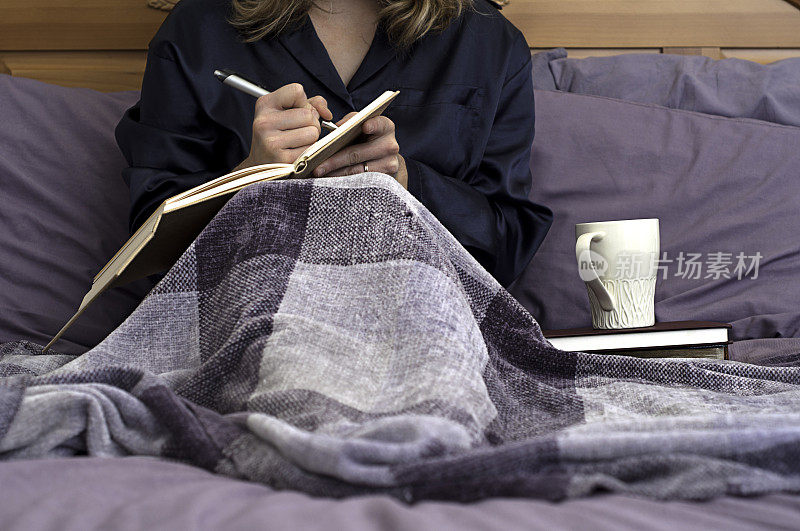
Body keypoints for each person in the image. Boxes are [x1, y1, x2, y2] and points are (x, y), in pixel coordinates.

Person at [116, 0, 552, 287]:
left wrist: (408, 181)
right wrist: (248, 178)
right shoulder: (198, 29)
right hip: (254, 309)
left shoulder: (488, 41)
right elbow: (146, 249)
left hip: (428, 314)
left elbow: (509, 246)